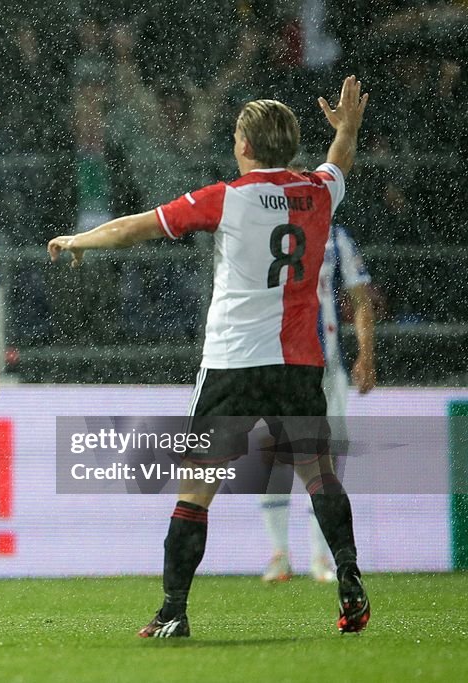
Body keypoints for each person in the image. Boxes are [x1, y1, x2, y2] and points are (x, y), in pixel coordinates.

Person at [48, 75, 370, 637]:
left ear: (244, 146)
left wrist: (80, 240)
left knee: (197, 488)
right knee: (319, 476)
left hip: (233, 364)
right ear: (290, 147)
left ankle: (174, 609)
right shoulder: (318, 192)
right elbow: (338, 160)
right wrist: (348, 130)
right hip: (298, 364)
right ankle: (348, 578)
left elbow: (136, 229)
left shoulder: (227, 198)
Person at [261, 222, 376, 583]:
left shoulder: (335, 236)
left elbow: (360, 298)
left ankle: (320, 557)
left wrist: (366, 354)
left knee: (326, 459)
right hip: (276, 362)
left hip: (328, 366)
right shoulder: (264, 231)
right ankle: (279, 554)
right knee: (275, 456)